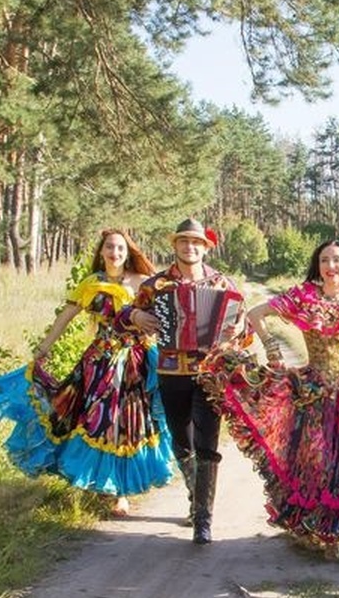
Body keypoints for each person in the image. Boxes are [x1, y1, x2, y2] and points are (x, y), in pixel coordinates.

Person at [200, 240, 339, 553]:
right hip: (314, 389)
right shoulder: (305, 297)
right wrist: (270, 347)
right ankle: (318, 526)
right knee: (316, 458)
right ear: (318, 265)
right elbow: (256, 313)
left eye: (337, 260)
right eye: (325, 260)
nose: (331, 266)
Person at [0, 229, 174, 515]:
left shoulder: (143, 282)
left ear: (128, 253)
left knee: (130, 422)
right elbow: (65, 317)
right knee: (98, 420)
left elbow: (164, 315)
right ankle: (103, 484)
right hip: (101, 361)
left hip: (137, 362)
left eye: (121, 249)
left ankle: (120, 491)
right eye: (110, 248)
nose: (115, 253)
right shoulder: (90, 284)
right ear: (101, 251)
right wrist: (44, 348)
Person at [116, 218, 246, 544]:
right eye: (184, 242)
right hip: (171, 372)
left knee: (207, 445)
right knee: (182, 441)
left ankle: (204, 519)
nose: (190, 247)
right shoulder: (156, 285)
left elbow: (242, 334)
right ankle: (193, 494)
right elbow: (122, 317)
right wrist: (136, 316)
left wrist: (238, 333)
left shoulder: (223, 285)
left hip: (210, 374)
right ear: (174, 245)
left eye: (196, 242)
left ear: (205, 247)